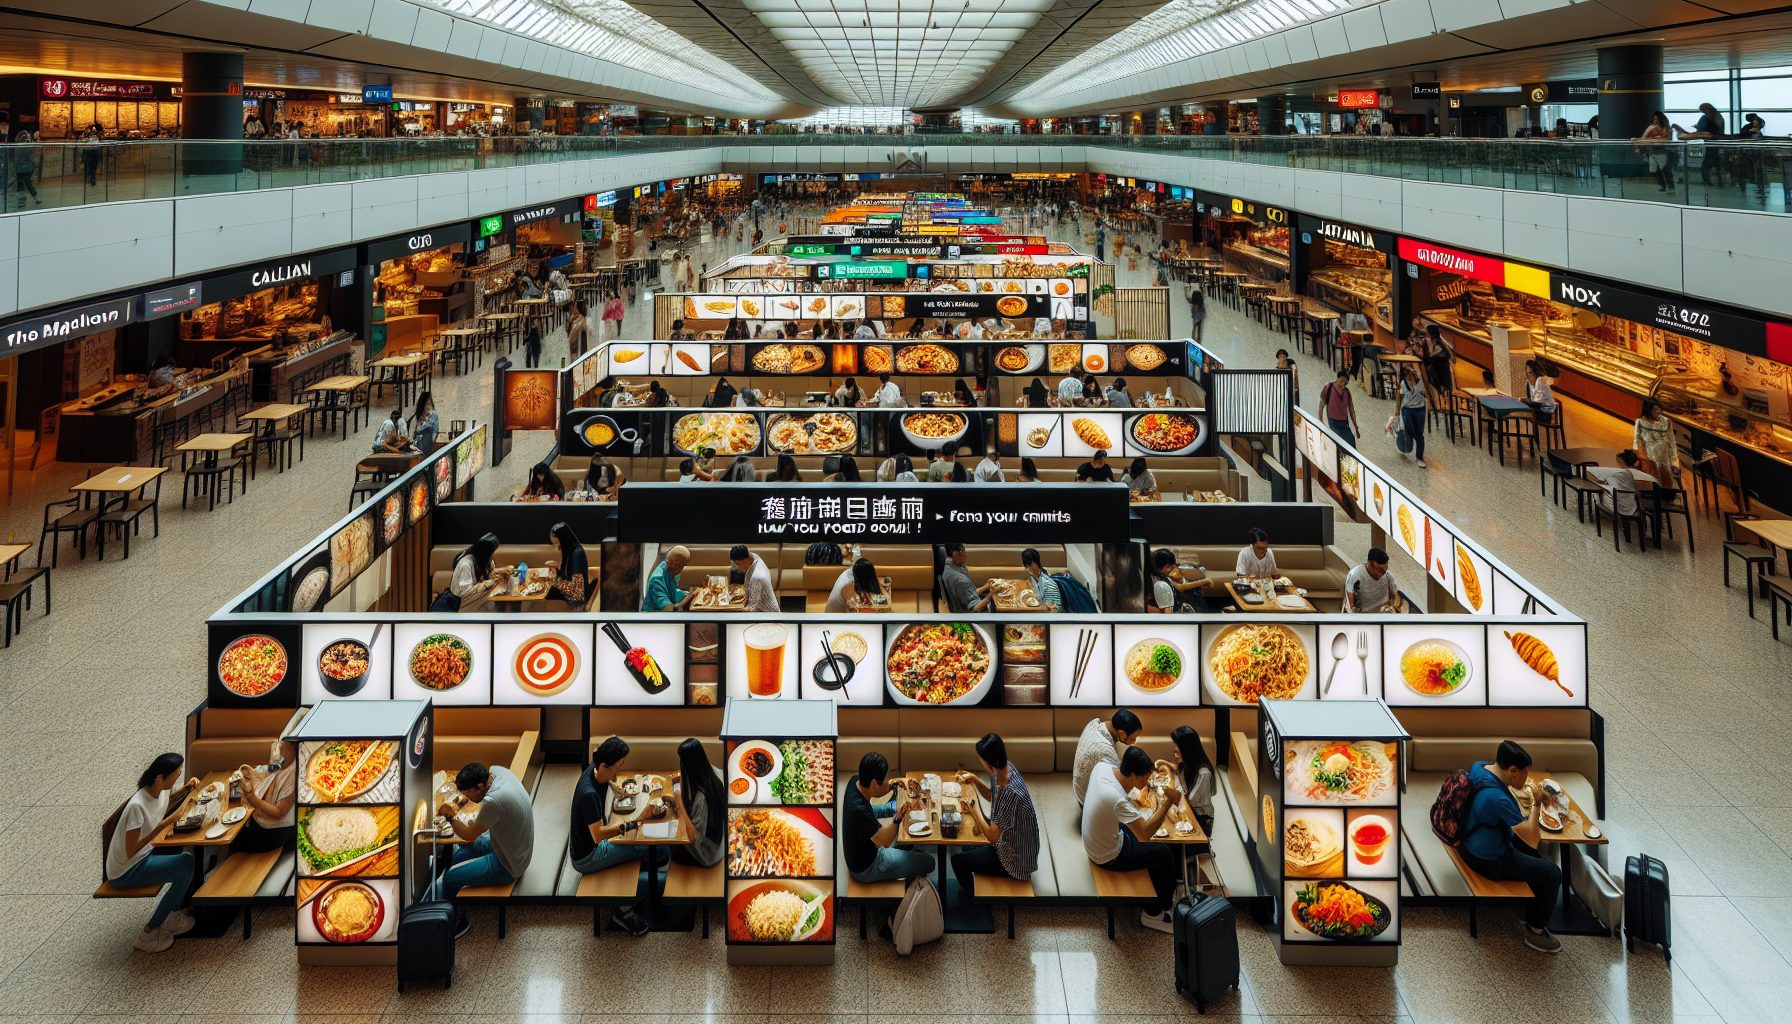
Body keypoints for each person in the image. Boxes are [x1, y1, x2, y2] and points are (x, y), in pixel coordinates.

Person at [1459, 741, 1564, 953]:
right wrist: (1536, 802)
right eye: (1525, 773)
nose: (1527, 778)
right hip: (1489, 859)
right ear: (1513, 770)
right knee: (1553, 873)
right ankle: (1535, 931)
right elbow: (1531, 838)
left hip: (1468, 841)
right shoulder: (1498, 799)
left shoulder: (1480, 767)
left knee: (1534, 857)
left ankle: (1532, 901)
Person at [570, 737, 668, 936]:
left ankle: (640, 879)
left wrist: (620, 790)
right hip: (589, 855)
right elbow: (598, 836)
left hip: (588, 843)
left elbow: (608, 783)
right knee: (650, 846)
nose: (618, 771)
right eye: (617, 766)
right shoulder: (588, 794)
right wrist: (636, 821)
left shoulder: (593, 770)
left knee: (643, 844)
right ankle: (625, 908)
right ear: (605, 765)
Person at [108, 753, 200, 952]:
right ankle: (150, 931)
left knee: (185, 850)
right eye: (176, 774)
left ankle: (174, 912)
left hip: (144, 855)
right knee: (185, 863)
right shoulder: (136, 807)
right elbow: (132, 849)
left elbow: (165, 802)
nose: (178, 776)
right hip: (127, 870)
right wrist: (164, 824)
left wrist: (186, 789)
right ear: (160, 777)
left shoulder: (159, 789)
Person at [1083, 745, 1181, 932]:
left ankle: (1163, 888)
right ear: (1134, 775)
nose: (1146, 782)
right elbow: (1144, 834)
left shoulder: (1103, 767)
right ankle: (1155, 913)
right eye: (1144, 778)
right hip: (1108, 856)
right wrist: (1168, 802)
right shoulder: (1116, 799)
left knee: (1155, 835)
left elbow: (1128, 802)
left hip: (1094, 838)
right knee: (1165, 854)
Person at [434, 761, 534, 937]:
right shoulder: (498, 771)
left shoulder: (493, 801)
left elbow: (468, 834)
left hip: (509, 863)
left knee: (450, 878)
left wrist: (450, 817)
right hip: (512, 843)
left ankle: (451, 926)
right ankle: (453, 895)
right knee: (461, 853)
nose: (467, 797)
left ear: (480, 786)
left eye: (468, 793)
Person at [950, 734, 1039, 896]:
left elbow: (992, 837)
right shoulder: (1006, 769)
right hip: (1017, 845)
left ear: (989, 763)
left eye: (981, 760)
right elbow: (993, 797)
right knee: (967, 844)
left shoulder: (1011, 793)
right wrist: (975, 780)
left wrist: (974, 810)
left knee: (957, 861)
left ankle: (975, 900)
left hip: (1015, 862)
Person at [842, 752, 934, 895]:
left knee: (895, 816)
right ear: (873, 783)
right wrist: (897, 817)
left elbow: (871, 811)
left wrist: (894, 785)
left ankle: (907, 857)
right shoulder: (858, 810)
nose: (887, 783)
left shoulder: (855, 782)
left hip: (865, 848)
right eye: (884, 781)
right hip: (868, 867)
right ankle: (905, 896)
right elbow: (884, 841)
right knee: (929, 862)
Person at [231, 718, 301, 854]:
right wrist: (252, 775)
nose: (279, 746)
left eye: (283, 743)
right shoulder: (287, 762)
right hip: (265, 823)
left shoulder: (293, 773)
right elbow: (271, 777)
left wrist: (253, 799)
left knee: (236, 840)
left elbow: (279, 813)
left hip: (276, 832)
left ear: (292, 746)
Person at [1072, 709, 1142, 807]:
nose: (1134, 741)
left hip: (1079, 789)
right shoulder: (1105, 751)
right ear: (1123, 733)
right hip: (1087, 800)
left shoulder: (1094, 724)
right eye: (1134, 737)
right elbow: (1120, 784)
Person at [1167, 724, 1216, 851]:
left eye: (1177, 746)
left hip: (1200, 818)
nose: (1175, 749)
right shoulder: (1186, 766)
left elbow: (1192, 801)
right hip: (1187, 811)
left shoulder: (1204, 773)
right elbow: (1180, 787)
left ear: (1186, 749)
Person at [449, 532, 508, 608]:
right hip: (460, 604)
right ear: (485, 551)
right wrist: (486, 584)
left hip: (475, 599)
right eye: (491, 552)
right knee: (494, 606)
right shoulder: (466, 564)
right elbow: (466, 593)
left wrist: (501, 571)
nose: (491, 556)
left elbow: (489, 573)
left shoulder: (481, 560)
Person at [1673, 102, 1726, 186]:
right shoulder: (1711, 118)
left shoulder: (1710, 118)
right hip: (1711, 142)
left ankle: (1708, 181)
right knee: (1712, 162)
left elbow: (1711, 130)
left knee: (1707, 163)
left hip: (1712, 142)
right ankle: (1712, 181)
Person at [1588, 449, 1646, 520]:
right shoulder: (1637, 474)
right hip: (1634, 507)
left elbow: (1594, 477)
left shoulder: (1616, 473)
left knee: (1598, 493)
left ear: (1621, 460)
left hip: (1619, 506)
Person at [1633, 398, 1680, 484]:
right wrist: (1639, 460)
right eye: (1655, 410)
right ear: (1649, 409)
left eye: (1659, 410)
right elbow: (1637, 443)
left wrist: (1675, 464)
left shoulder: (1666, 422)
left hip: (1665, 461)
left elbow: (1672, 444)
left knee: (1666, 483)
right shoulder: (1640, 422)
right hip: (1649, 460)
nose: (1658, 412)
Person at [545, 521, 590, 611]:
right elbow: (568, 575)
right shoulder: (571, 552)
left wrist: (554, 580)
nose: (556, 547)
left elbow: (577, 594)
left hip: (577, 604)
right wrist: (558, 569)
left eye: (556, 543)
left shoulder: (577, 555)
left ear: (564, 540)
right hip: (570, 597)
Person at [1148, 547, 1208, 613]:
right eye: (1171, 565)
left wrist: (1203, 582)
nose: (1173, 567)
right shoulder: (1161, 584)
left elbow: (1180, 587)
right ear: (1166, 566)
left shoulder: (1159, 577)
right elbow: (1167, 611)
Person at [1345, 547, 1403, 613]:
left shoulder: (1387, 576)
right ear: (1371, 563)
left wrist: (1395, 606)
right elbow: (1352, 605)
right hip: (1363, 614)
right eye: (1380, 570)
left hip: (1383, 611)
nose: (1382, 574)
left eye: (1384, 571)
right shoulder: (1355, 575)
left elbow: (1395, 593)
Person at [939, 542, 993, 612]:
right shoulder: (961, 580)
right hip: (967, 615)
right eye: (963, 552)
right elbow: (975, 608)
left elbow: (968, 593)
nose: (965, 555)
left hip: (958, 606)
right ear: (956, 554)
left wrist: (986, 586)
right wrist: (990, 596)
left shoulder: (947, 567)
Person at [643, 545, 695, 611]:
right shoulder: (657, 582)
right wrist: (687, 599)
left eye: (683, 564)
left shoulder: (669, 569)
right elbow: (669, 609)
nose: (680, 568)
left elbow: (674, 592)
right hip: (656, 617)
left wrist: (689, 593)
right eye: (676, 564)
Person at [731, 544, 779, 612]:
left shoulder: (757, 577)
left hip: (767, 614)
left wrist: (731, 609)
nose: (737, 568)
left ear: (747, 559)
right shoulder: (753, 557)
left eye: (739, 564)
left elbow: (752, 608)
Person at [1636, 111, 1677, 192]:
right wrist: (1640, 147)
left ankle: (1670, 186)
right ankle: (1663, 185)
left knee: (1664, 170)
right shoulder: (1651, 128)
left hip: (1662, 152)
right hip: (1652, 152)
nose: (1655, 121)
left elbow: (1667, 139)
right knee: (1654, 170)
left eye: (1657, 119)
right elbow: (1644, 138)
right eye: (1654, 119)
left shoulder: (1666, 129)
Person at [1319, 368, 1360, 447]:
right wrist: (1321, 422)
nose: (1344, 384)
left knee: (1351, 442)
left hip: (1344, 422)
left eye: (1345, 383)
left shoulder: (1347, 392)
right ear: (1339, 378)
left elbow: (1351, 410)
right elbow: (1321, 405)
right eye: (1342, 381)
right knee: (1338, 443)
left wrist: (1356, 427)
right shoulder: (1328, 388)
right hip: (1333, 422)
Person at [1399, 365, 1429, 468]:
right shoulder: (1403, 384)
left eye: (1411, 373)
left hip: (1419, 409)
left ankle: (1419, 457)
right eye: (1407, 374)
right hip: (1407, 409)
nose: (1410, 376)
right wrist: (1397, 411)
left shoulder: (1421, 382)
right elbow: (1399, 397)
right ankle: (1404, 443)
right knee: (1409, 431)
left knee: (1419, 434)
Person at [1022, 547, 1061, 612]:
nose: (1027, 568)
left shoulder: (1048, 583)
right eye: (1026, 565)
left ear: (1034, 563)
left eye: (1028, 564)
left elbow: (1053, 609)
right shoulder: (1032, 579)